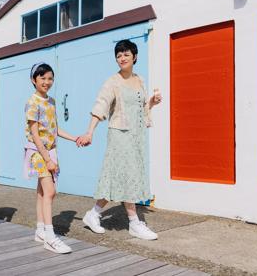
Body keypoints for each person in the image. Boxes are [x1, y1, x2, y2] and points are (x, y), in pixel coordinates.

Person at [77, 39, 162, 240]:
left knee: (122, 177)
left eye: (125, 54)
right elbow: (101, 105)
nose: (122, 58)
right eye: (118, 55)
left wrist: (152, 102)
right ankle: (134, 222)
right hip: (119, 134)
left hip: (136, 135)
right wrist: (90, 131)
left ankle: (93, 214)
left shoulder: (140, 80)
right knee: (122, 174)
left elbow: (141, 108)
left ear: (135, 56)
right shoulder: (113, 82)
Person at [24, 62, 79, 254]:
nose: (47, 82)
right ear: (34, 80)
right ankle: (50, 236)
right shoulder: (32, 102)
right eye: (42, 78)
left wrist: (75, 139)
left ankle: (40, 230)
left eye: (50, 78)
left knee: (41, 192)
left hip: (51, 151)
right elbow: (35, 134)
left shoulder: (52, 101)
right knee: (50, 191)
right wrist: (47, 159)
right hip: (38, 152)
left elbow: (54, 130)